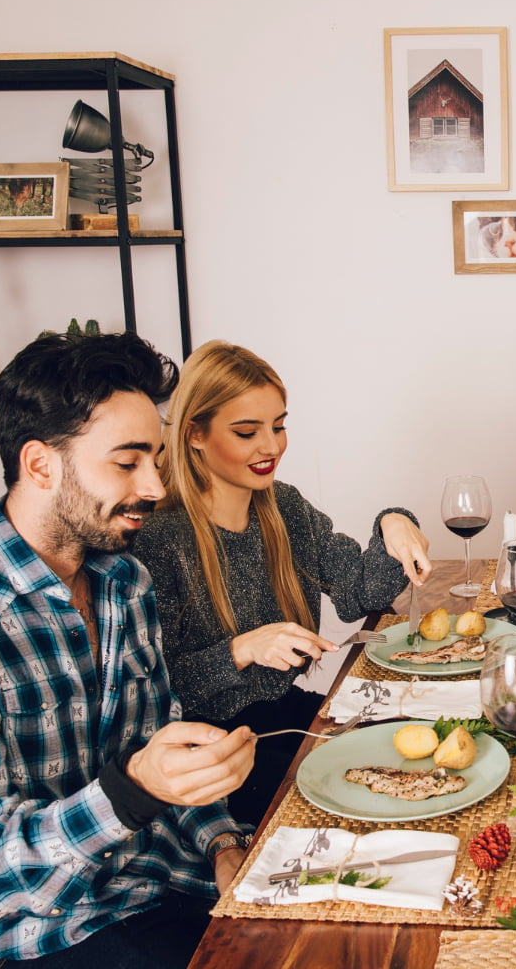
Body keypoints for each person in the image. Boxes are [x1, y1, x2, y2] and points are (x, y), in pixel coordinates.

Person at [0, 332, 257, 969]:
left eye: (155, 459)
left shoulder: (123, 581)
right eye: (127, 463)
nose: (154, 486)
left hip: (157, 888)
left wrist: (223, 842)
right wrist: (129, 795)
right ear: (40, 465)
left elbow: (164, 746)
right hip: (32, 937)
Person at [132, 340, 431, 824]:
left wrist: (393, 522)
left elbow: (360, 594)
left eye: (278, 425)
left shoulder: (283, 506)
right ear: (194, 434)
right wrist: (241, 650)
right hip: (211, 757)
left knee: (420, 751)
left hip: (286, 718)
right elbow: (153, 695)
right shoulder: (158, 538)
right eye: (247, 432)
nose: (270, 446)